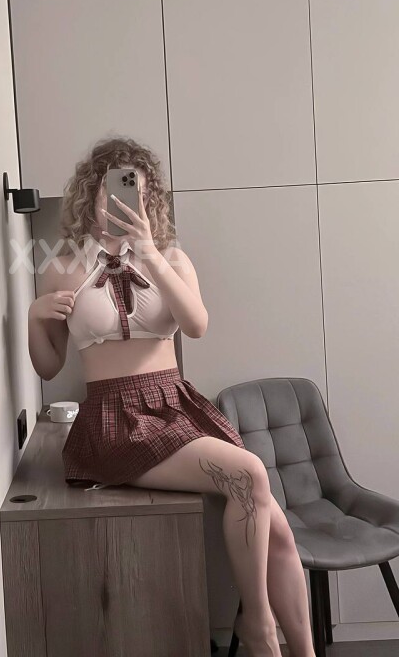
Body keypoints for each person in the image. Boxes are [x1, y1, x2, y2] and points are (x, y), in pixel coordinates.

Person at [28, 136, 315, 657]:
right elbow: (48, 365)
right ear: (91, 193)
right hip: (115, 420)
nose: (122, 203)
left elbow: (196, 326)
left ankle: (302, 651)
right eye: (112, 190)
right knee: (250, 474)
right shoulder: (63, 266)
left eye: (134, 192)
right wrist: (34, 318)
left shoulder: (172, 259)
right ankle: (258, 627)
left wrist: (149, 253)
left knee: (278, 531)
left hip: (177, 405)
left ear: (148, 199)